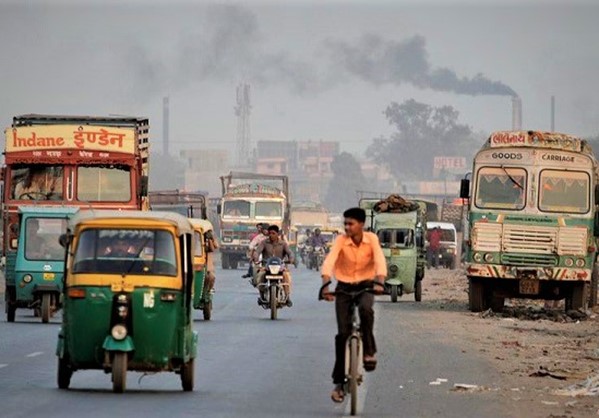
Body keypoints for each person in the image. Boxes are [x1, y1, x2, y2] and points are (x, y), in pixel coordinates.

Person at [320, 207, 386, 404]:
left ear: (361, 225)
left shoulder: (372, 239)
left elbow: (380, 261)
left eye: (351, 223)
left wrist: (380, 281)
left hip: (366, 285)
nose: (347, 227)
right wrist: (325, 284)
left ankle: (369, 351)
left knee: (366, 310)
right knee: (342, 335)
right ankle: (339, 384)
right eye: (345, 223)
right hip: (343, 288)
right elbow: (329, 262)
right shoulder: (341, 241)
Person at [253, 225, 295, 306]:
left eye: (273, 233)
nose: (271, 235)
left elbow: (290, 252)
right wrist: (256, 258)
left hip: (280, 267)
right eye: (270, 233)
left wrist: (291, 259)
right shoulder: (264, 243)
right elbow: (257, 251)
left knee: (286, 277)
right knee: (260, 276)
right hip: (266, 266)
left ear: (277, 234)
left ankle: (287, 297)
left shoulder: (283, 244)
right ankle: (261, 296)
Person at [203, 229, 219, 295]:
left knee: (211, 277)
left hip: (207, 265)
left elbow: (215, 246)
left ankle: (208, 291)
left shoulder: (208, 241)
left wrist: (211, 239)